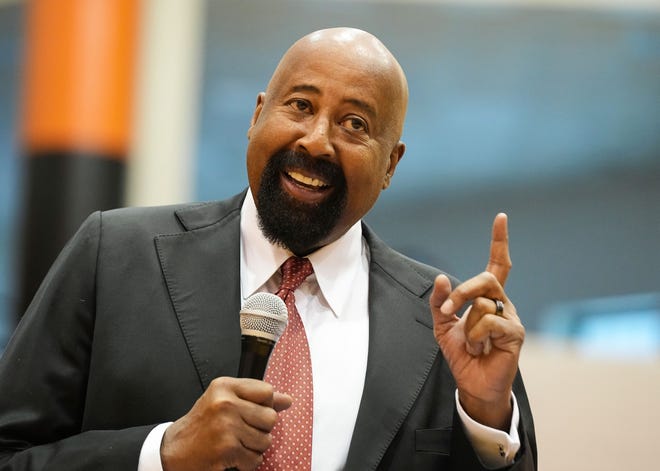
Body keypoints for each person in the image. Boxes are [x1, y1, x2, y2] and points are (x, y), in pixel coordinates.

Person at [0, 27, 536, 470]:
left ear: (391, 164)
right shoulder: (113, 255)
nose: (316, 140)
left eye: (355, 124)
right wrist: (160, 454)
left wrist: (485, 413)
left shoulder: (444, 325)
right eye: (300, 105)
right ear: (258, 114)